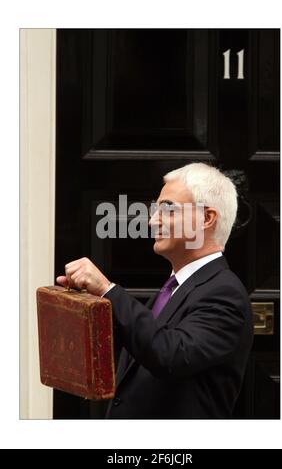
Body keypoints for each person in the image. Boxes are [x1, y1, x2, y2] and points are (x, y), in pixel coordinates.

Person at [57, 162, 253, 418]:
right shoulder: (174, 288)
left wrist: (108, 290)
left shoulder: (225, 293)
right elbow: (144, 350)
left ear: (206, 218)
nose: (152, 220)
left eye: (168, 209)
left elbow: (169, 355)